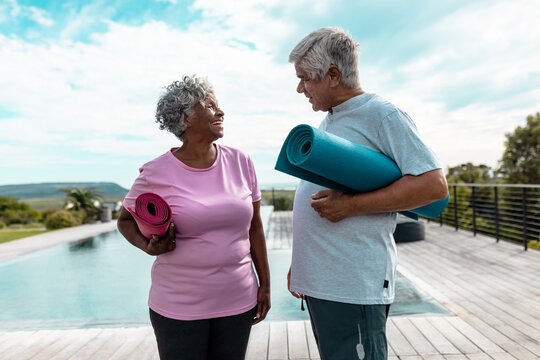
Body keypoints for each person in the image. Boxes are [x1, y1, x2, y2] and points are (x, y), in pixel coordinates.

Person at [286, 27, 448, 360]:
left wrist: (351, 206)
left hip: (353, 286)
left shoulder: (382, 114)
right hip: (326, 283)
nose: (300, 88)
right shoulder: (333, 119)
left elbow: (433, 185)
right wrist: (302, 263)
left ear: (333, 75)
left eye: (305, 78)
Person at [117, 75, 271, 360]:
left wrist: (265, 285)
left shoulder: (241, 161)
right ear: (186, 118)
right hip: (179, 305)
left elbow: (255, 227)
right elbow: (124, 220)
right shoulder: (155, 172)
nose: (221, 112)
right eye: (210, 106)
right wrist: (146, 246)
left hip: (238, 299)